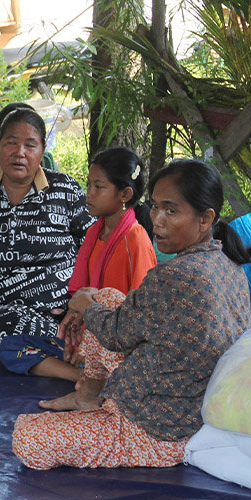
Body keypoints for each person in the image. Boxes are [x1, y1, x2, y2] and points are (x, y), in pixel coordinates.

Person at [13, 159, 251, 469]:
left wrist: (84, 304)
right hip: (184, 401)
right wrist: (91, 301)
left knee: (26, 439)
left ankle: (99, 410)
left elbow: (114, 335)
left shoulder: (176, 274)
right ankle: (88, 395)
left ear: (205, 218)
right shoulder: (228, 262)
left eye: (171, 210)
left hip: (154, 430)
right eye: (155, 207)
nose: (158, 220)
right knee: (109, 297)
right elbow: (123, 320)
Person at [0, 107, 93, 378]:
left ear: (43, 149)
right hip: (13, 317)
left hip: (69, 312)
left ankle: (68, 350)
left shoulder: (65, 190)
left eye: (30, 145)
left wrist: (83, 301)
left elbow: (93, 248)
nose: (19, 152)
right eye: (11, 143)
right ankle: (81, 374)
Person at [31, 147, 158, 410]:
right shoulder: (94, 233)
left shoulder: (135, 240)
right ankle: (84, 376)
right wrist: (76, 333)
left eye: (98, 187)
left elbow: (140, 316)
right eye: (89, 184)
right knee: (12, 344)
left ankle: (94, 379)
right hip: (91, 334)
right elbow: (81, 299)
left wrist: (93, 344)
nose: (88, 193)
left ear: (125, 194)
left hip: (116, 344)